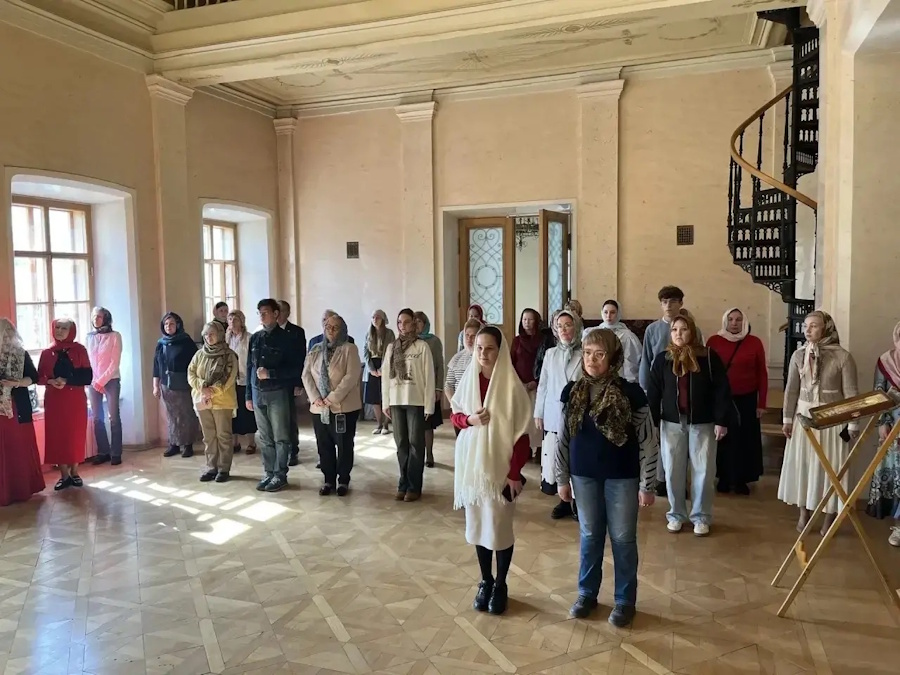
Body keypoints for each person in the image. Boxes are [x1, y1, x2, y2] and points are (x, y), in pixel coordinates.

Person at [556, 329, 658, 626]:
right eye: (587, 353)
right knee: (590, 536)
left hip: (622, 477)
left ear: (613, 358)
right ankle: (586, 594)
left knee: (623, 539)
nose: (592, 360)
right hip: (583, 475)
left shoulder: (632, 393)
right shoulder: (572, 391)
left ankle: (625, 600)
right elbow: (563, 438)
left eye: (599, 354)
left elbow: (648, 441)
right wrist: (561, 478)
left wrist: (647, 484)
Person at [451, 326, 532, 616]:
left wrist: (514, 474)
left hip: (500, 467)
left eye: (489, 348)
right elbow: (456, 415)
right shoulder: (469, 379)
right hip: (473, 467)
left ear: (500, 351)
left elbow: (522, 435)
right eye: (479, 348)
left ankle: (501, 584)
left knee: (498, 527)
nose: (483, 354)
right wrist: (469, 420)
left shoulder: (511, 386)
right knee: (477, 525)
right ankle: (485, 580)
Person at [647, 313, 731, 537]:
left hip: (703, 423)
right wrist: (652, 423)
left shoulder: (708, 357)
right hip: (671, 423)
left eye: (683, 329)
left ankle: (701, 517)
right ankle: (676, 514)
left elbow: (722, 391)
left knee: (704, 472)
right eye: (674, 330)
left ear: (692, 331)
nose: (678, 334)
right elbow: (654, 393)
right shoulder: (663, 359)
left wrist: (721, 420)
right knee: (673, 471)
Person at [779, 310, 859, 535]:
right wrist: (787, 418)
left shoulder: (843, 357)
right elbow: (791, 390)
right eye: (806, 326)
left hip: (833, 419)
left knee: (831, 468)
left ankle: (829, 516)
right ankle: (804, 512)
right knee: (803, 465)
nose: (808, 330)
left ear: (826, 328)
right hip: (804, 418)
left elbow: (851, 393)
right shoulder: (799, 355)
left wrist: (853, 424)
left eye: (814, 325)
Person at [706, 307, 768, 495]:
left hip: (747, 399)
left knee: (745, 439)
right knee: (723, 439)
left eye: (738, 319)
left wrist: (762, 403)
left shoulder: (754, 342)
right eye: (731, 319)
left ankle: (741, 479)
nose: (734, 323)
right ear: (725, 321)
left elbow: (762, 373)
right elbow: (708, 372)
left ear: (745, 322)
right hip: (722, 399)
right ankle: (723, 478)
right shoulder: (714, 341)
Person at [247, 299, 304, 492]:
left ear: (276, 314)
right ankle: (269, 472)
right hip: (258, 393)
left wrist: (270, 374)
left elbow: (295, 369)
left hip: (278, 392)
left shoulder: (287, 338)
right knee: (265, 438)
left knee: (281, 436)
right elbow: (250, 367)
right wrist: (248, 395)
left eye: (265, 312)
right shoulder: (255, 338)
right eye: (259, 313)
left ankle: (280, 474)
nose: (262, 316)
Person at [302, 313, 362, 496]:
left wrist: (332, 398)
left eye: (335, 327)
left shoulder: (349, 348)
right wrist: (315, 398)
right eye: (328, 326)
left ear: (342, 330)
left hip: (343, 407)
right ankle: (328, 479)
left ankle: (343, 480)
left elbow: (351, 377)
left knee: (344, 445)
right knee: (324, 444)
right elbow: (306, 375)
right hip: (319, 407)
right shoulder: (315, 349)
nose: (331, 330)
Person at [639, 286, 688, 497]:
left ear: (681, 304)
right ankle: (660, 478)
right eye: (664, 302)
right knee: (660, 434)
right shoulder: (653, 329)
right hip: (659, 387)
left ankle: (679, 480)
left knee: (681, 436)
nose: (668, 305)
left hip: (682, 388)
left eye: (673, 301)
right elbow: (646, 359)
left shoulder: (690, 328)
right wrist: (646, 387)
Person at [383, 308, 435, 502]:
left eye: (406, 322)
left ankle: (414, 486)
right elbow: (385, 378)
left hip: (415, 400)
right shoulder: (392, 347)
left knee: (415, 444)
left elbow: (429, 377)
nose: (402, 326)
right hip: (396, 400)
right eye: (399, 322)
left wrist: (429, 405)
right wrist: (386, 402)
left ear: (413, 323)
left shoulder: (422, 346)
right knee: (401, 444)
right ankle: (403, 482)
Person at [534, 309, 583, 519]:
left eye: (568, 325)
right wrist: (539, 412)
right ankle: (564, 501)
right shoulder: (550, 354)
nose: (564, 330)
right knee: (557, 457)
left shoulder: (585, 352)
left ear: (576, 327)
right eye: (559, 326)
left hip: (578, 413)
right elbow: (543, 385)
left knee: (577, 458)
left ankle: (579, 503)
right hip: (554, 414)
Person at [38, 319, 93, 490]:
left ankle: (75, 472)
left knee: (75, 434)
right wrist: (50, 381)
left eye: (64, 328)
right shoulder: (47, 352)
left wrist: (67, 381)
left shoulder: (80, 350)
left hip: (75, 399)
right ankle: (64, 475)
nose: (59, 331)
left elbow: (87, 377)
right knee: (58, 436)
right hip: (55, 400)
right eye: (57, 327)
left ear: (72, 331)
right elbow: (39, 377)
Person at [0, 319, 45, 506]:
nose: (5, 337)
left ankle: (20, 490)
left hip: (17, 406)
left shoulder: (20, 354)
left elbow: (33, 377)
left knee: (17, 448)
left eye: (7, 333)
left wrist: (16, 383)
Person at [189, 321, 239, 483]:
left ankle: (224, 468)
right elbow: (191, 373)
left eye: (212, 334)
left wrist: (211, 392)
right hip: (202, 400)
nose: (208, 337)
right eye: (206, 334)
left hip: (222, 401)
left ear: (220, 335)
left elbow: (229, 378)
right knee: (209, 436)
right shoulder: (199, 354)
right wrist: (202, 387)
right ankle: (211, 467)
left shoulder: (229, 355)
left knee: (223, 435)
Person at [868, 321, 900, 546]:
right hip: (894, 426)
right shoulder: (885, 362)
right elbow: (878, 395)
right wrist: (882, 422)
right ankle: (899, 527)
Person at [153, 312, 200, 458]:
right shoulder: (161, 343)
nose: (169, 326)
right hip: (166, 385)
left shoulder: (186, 341)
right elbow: (156, 366)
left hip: (183, 384)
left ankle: (187, 445)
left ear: (178, 325)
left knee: (186, 414)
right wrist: (155, 386)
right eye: (166, 324)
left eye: (172, 323)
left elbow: (195, 363)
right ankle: (174, 444)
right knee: (172, 415)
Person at [86, 307, 123, 466]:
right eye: (94, 316)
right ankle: (103, 452)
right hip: (93, 381)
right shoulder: (89, 337)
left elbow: (114, 363)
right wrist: (94, 381)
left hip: (111, 380)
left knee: (113, 417)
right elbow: (88, 361)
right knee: (97, 418)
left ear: (106, 318)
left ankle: (116, 453)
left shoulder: (115, 336)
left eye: (99, 316)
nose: (96, 319)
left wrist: (101, 381)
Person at [277, 300, 308, 467]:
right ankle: (278, 451)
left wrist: (299, 383)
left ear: (287, 313)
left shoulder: (296, 332)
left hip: (290, 381)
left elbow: (300, 359)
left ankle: (292, 451)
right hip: (272, 383)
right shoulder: (268, 331)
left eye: (281, 311)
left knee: (289, 418)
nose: (277, 314)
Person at [511, 308, 544, 459]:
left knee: (537, 418)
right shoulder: (517, 341)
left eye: (530, 319)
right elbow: (511, 362)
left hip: (538, 385)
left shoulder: (543, 341)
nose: (527, 322)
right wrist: (518, 382)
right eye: (524, 319)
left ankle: (539, 449)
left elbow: (545, 364)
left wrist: (536, 382)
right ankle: (525, 449)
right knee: (523, 419)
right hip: (520, 386)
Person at [584, 300, 642, 384]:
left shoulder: (627, 336)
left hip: (619, 377)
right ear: (601, 313)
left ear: (618, 314)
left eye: (612, 312)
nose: (608, 316)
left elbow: (630, 361)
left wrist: (629, 382)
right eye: (606, 312)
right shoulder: (592, 333)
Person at [415, 311, 444, 468]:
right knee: (415, 425)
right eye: (414, 321)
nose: (416, 324)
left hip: (429, 387)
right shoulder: (409, 341)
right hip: (414, 388)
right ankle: (417, 455)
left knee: (427, 424)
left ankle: (429, 454)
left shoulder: (434, 341)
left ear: (425, 324)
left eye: (419, 321)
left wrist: (438, 388)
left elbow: (439, 365)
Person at [226, 310, 257, 454]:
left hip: (245, 379)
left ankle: (251, 442)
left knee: (247, 412)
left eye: (235, 319)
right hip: (230, 381)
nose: (232, 322)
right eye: (230, 319)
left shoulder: (250, 338)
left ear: (242, 321)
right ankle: (235, 442)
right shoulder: (225, 339)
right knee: (233, 411)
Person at [445, 319, 480, 437]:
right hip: (459, 409)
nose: (469, 339)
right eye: (467, 335)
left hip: (476, 408)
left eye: (473, 336)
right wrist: (454, 404)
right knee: (460, 440)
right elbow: (448, 385)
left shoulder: (482, 357)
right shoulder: (457, 358)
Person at [363, 309, 395, 435]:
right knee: (374, 398)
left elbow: (391, 351)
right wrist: (371, 368)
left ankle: (386, 425)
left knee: (385, 396)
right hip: (372, 367)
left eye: (377, 317)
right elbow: (366, 351)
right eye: (373, 317)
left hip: (385, 364)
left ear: (383, 319)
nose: (375, 320)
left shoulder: (389, 333)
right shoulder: (368, 333)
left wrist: (383, 368)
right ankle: (379, 424)